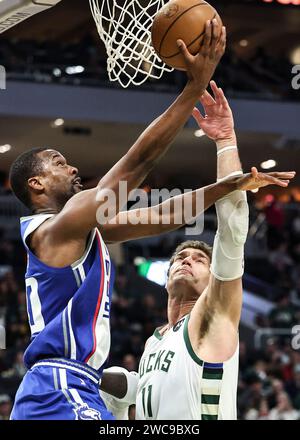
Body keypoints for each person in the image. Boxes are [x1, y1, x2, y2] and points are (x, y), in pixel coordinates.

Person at [8, 20, 229, 420]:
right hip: (59, 388)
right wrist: (194, 87)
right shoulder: (57, 228)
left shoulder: (81, 230)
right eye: (59, 163)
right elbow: (135, 166)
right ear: (36, 184)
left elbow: (164, 215)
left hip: (74, 386)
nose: (73, 168)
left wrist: (226, 187)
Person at [135, 83, 296, 420]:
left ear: (214, 279)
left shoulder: (212, 315)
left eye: (199, 260)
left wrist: (225, 141)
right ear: (166, 276)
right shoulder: (153, 342)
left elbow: (232, 233)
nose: (186, 261)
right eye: (180, 257)